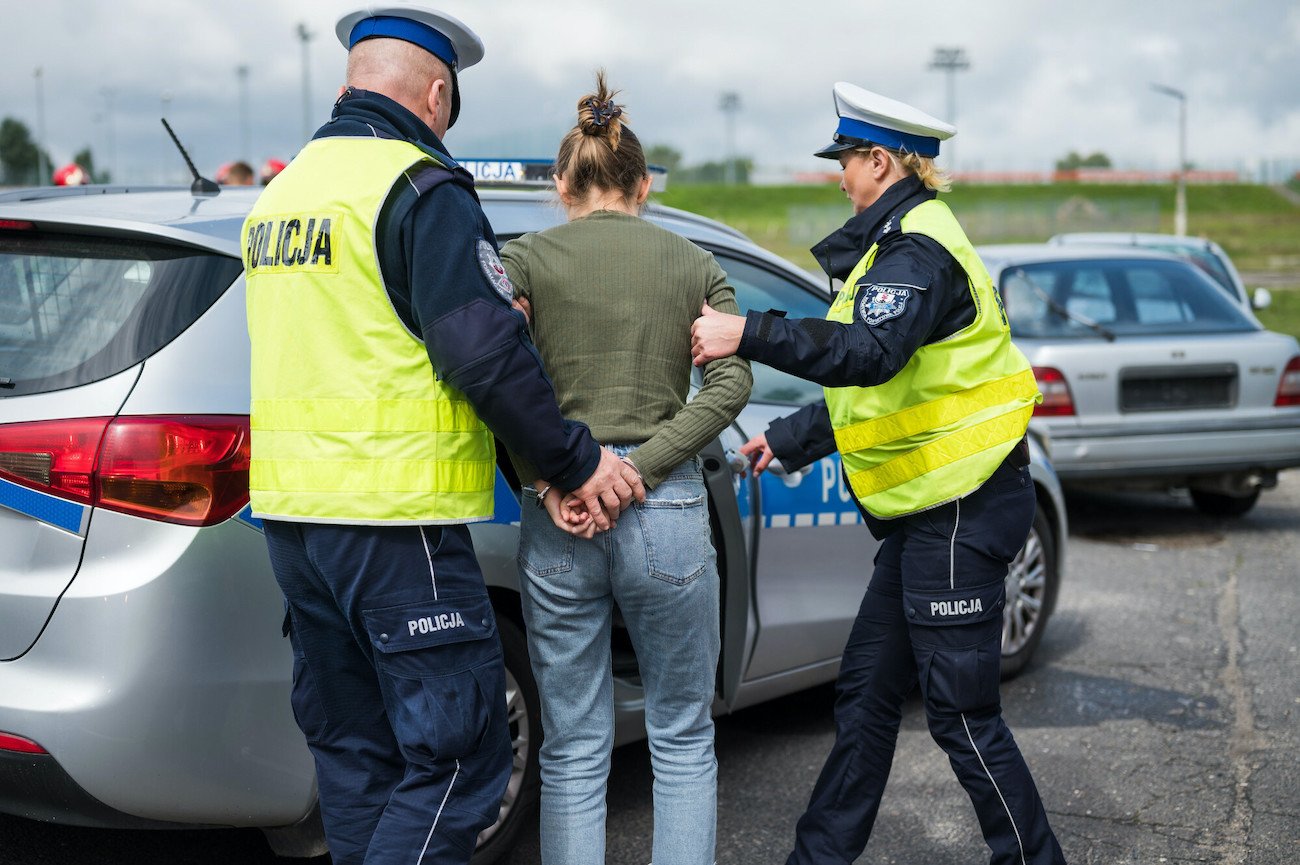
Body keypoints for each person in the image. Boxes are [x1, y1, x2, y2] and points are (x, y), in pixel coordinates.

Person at [241, 8, 642, 864]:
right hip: (396, 525)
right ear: (435, 96)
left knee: (359, 758)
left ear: (350, 82)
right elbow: (483, 355)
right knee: (462, 759)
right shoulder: (421, 188)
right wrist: (572, 461)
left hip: (294, 524)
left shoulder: (284, 193)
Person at [690, 81, 1067, 865]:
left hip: (961, 508)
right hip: (932, 515)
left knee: (962, 715)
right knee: (865, 694)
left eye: (845, 162)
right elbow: (884, 392)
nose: (839, 178)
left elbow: (868, 353)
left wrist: (746, 331)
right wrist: (788, 437)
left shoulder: (917, 250)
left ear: (880, 161)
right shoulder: (895, 249)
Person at [499, 74, 751, 865]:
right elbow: (731, 384)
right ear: (644, 186)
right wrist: (638, 469)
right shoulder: (694, 263)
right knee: (681, 736)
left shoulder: (521, 260)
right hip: (666, 509)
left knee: (573, 746)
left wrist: (551, 477)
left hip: (560, 514)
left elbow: (494, 378)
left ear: (562, 184)